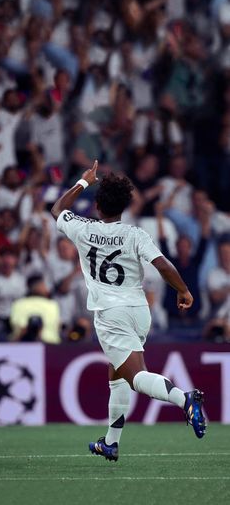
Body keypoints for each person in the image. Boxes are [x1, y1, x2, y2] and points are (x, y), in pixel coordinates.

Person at [51, 159, 206, 462]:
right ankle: (111, 442)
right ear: (124, 206)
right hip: (139, 311)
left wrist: (84, 181)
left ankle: (184, 398)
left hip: (111, 314)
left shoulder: (83, 229)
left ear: (96, 206)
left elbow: (57, 209)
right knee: (117, 373)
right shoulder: (135, 234)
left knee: (135, 377)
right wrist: (184, 290)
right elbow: (162, 264)